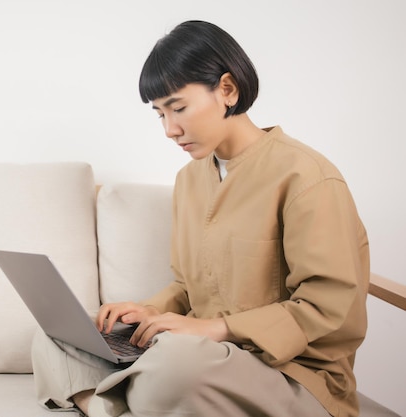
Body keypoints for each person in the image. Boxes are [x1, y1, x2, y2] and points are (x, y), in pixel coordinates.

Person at [31, 20, 369, 417]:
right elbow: (187, 286)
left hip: (292, 375)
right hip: (204, 352)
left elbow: (328, 306)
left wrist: (218, 329)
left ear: (227, 89)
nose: (170, 130)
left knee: (176, 367)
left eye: (178, 107)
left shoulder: (307, 176)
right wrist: (149, 311)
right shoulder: (190, 180)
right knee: (55, 334)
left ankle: (116, 399)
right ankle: (120, 404)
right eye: (159, 114)